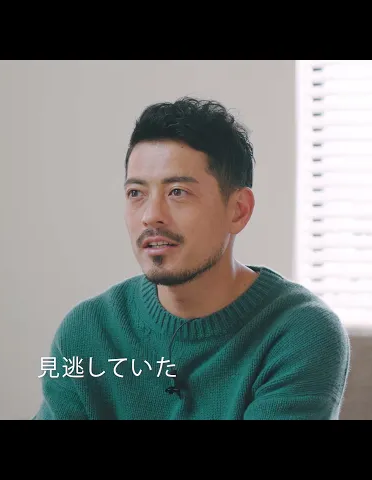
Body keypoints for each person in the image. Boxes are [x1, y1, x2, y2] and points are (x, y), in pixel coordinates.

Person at [33, 96, 351, 420]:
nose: (150, 216)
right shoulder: (88, 330)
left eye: (177, 192)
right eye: (136, 193)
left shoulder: (299, 333)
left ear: (238, 210)